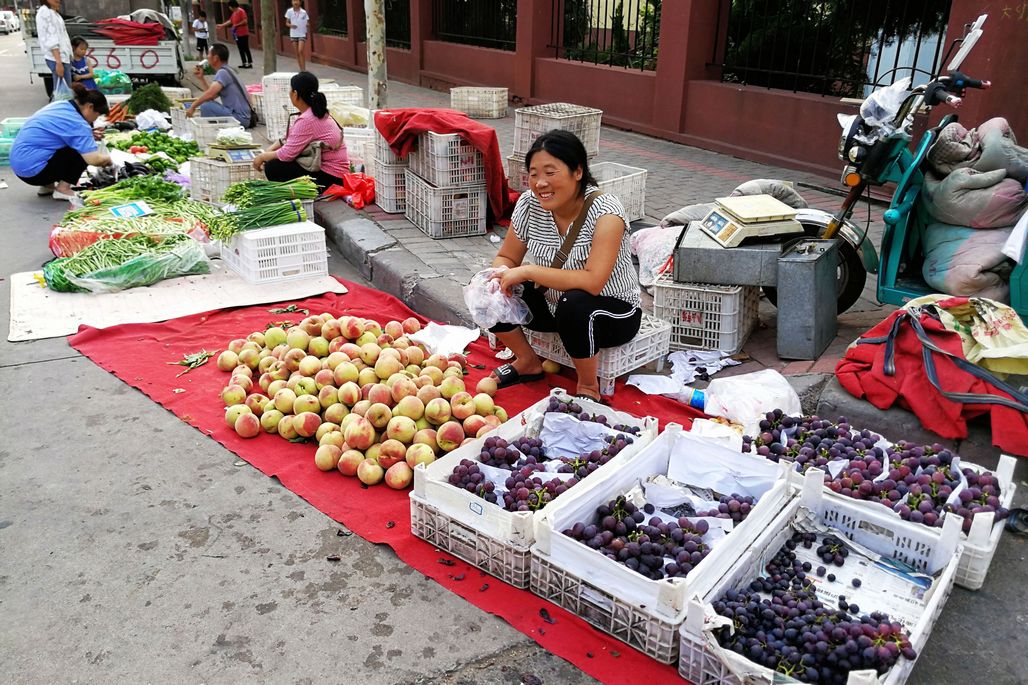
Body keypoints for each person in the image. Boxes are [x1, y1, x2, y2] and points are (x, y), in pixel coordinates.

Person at [486, 130, 642, 401]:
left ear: (577, 171)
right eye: (534, 174)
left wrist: (528, 271)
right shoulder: (528, 204)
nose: (540, 183)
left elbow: (593, 282)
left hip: (611, 314)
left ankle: (588, 386)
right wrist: (501, 275)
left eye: (550, 172)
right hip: (554, 308)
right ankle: (527, 362)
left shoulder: (606, 213)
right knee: (489, 286)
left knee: (576, 303)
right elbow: (507, 258)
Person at [10, 83, 111, 201]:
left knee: (61, 144)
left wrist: (87, 135)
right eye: (97, 115)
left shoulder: (61, 105)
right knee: (81, 152)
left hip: (20, 166)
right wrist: (109, 159)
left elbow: (56, 131)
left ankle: (47, 186)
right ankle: (63, 189)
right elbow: (93, 159)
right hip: (35, 172)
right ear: (90, 107)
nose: (95, 119)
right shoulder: (78, 124)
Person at [252, 71, 347, 188]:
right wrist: (269, 151)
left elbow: (287, 154)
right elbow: (289, 137)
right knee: (273, 158)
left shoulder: (308, 119)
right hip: (336, 174)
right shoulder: (314, 112)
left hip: (331, 178)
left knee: (273, 167)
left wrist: (262, 157)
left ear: (295, 94)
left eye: (290, 90)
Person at [186, 43, 254, 128]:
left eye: (209, 54)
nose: (207, 57)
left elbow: (209, 94)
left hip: (239, 118)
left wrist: (193, 106)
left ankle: (209, 130)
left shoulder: (223, 73)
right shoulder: (228, 70)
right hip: (242, 117)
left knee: (206, 106)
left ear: (216, 58)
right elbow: (211, 96)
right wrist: (201, 78)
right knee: (207, 103)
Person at [36, 0, 73, 94]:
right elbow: (51, 39)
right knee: (62, 93)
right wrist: (58, 62)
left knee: (64, 91)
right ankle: (59, 108)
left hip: (63, 58)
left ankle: (61, 107)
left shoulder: (53, 12)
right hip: (58, 58)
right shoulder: (45, 12)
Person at [218, 0, 252, 69]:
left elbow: (245, 21)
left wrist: (236, 25)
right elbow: (230, 21)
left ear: (232, 6)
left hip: (243, 33)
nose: (229, 8)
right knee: (240, 48)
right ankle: (244, 62)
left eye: (229, 6)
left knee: (245, 47)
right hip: (237, 33)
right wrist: (222, 25)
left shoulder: (241, 11)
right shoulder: (234, 13)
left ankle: (249, 63)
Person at [284, 0, 310, 72]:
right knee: (297, 53)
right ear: (292, 2)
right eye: (294, 1)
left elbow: (307, 22)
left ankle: (304, 69)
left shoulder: (303, 12)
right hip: (293, 33)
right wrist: (291, 25)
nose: (295, 2)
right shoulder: (289, 11)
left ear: (300, 2)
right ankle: (301, 69)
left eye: (297, 1)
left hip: (302, 33)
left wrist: (307, 24)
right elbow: (286, 23)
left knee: (300, 50)